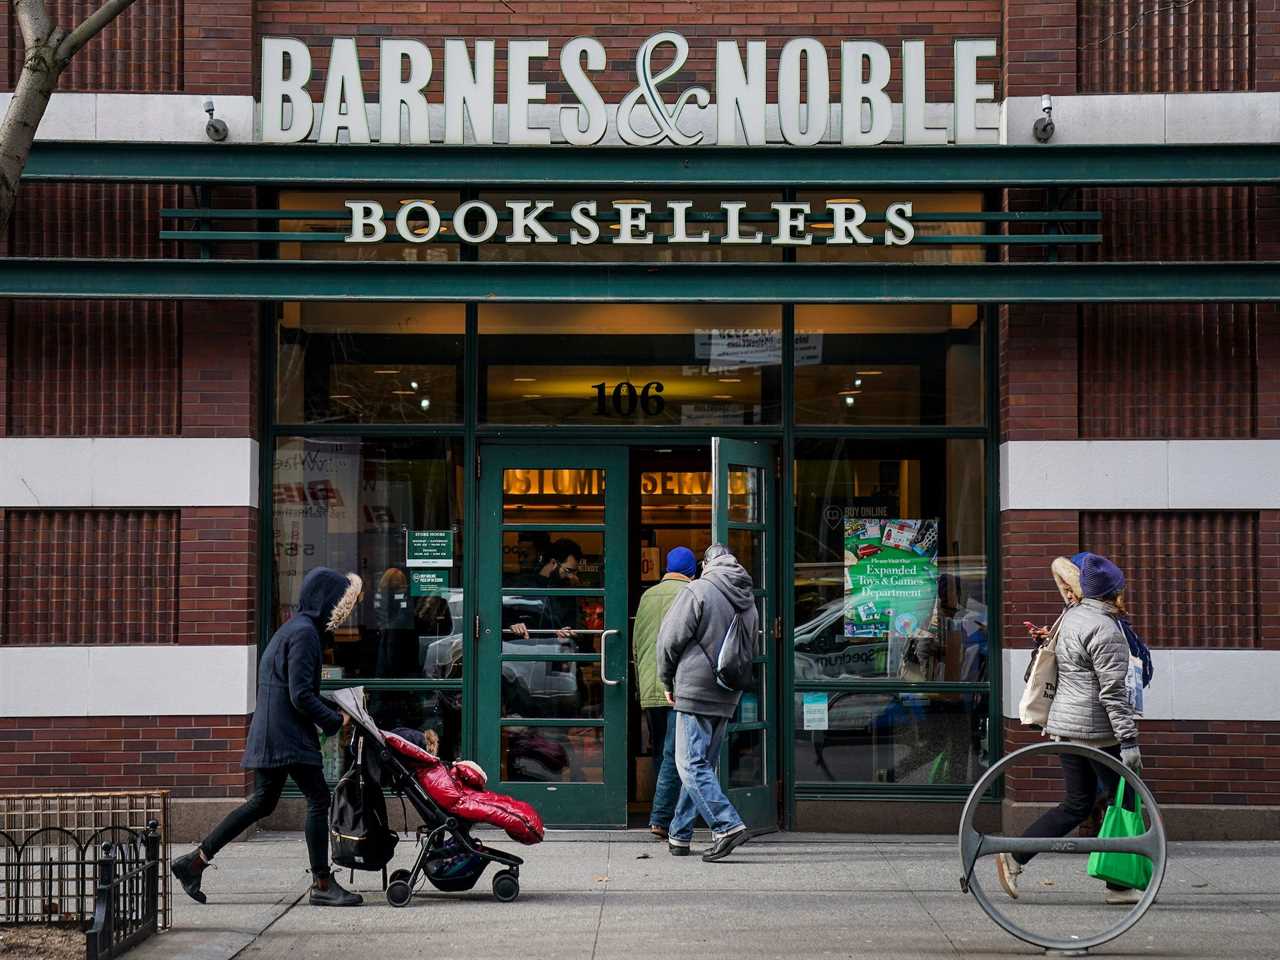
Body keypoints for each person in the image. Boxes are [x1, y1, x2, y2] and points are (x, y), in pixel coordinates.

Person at [171, 566, 365, 907]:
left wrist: (333, 710)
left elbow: (296, 689)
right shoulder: (305, 634)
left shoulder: (292, 628)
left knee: (262, 802)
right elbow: (300, 694)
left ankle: (195, 861)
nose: (344, 613)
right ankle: (321, 882)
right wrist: (334, 720)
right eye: (341, 604)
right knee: (319, 800)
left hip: (271, 730)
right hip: (287, 735)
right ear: (328, 603)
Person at [997, 553, 1144, 906]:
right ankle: (1119, 883)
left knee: (1078, 803)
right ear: (1114, 592)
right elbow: (1113, 693)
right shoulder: (1105, 628)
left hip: (1065, 726)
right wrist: (1129, 740)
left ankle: (1014, 857)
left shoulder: (1071, 617)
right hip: (1096, 732)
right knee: (1125, 800)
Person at [657, 543, 758, 862]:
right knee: (701, 765)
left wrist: (666, 679)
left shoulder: (698, 590)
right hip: (728, 690)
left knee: (689, 763)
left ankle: (727, 825)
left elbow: (670, 638)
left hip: (696, 687)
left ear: (707, 564)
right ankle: (680, 834)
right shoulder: (748, 600)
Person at [631, 546, 697, 839]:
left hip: (651, 685)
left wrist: (639, 686)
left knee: (662, 750)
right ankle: (662, 818)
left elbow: (636, 644)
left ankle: (666, 812)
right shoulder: (693, 594)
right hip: (678, 685)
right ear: (692, 571)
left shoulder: (647, 596)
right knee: (675, 752)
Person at [507, 538, 583, 642]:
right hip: (523, 651)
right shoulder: (522, 584)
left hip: (554, 652)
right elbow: (503, 615)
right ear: (553, 563)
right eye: (568, 571)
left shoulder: (568, 593)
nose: (571, 576)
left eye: (574, 572)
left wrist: (567, 632)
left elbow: (576, 627)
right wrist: (513, 625)